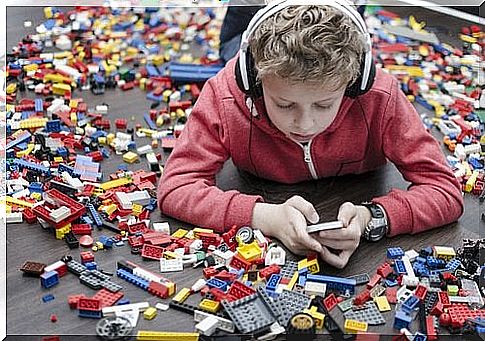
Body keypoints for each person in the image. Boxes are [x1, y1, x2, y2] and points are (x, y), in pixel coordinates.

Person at [158, 1, 464, 268]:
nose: (305, 124)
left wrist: (371, 218)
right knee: (231, 41)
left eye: (323, 104)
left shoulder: (379, 95)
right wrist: (263, 218)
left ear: (355, 82)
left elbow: (446, 191)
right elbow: (175, 187)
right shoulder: (226, 91)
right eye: (284, 103)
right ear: (252, 79)